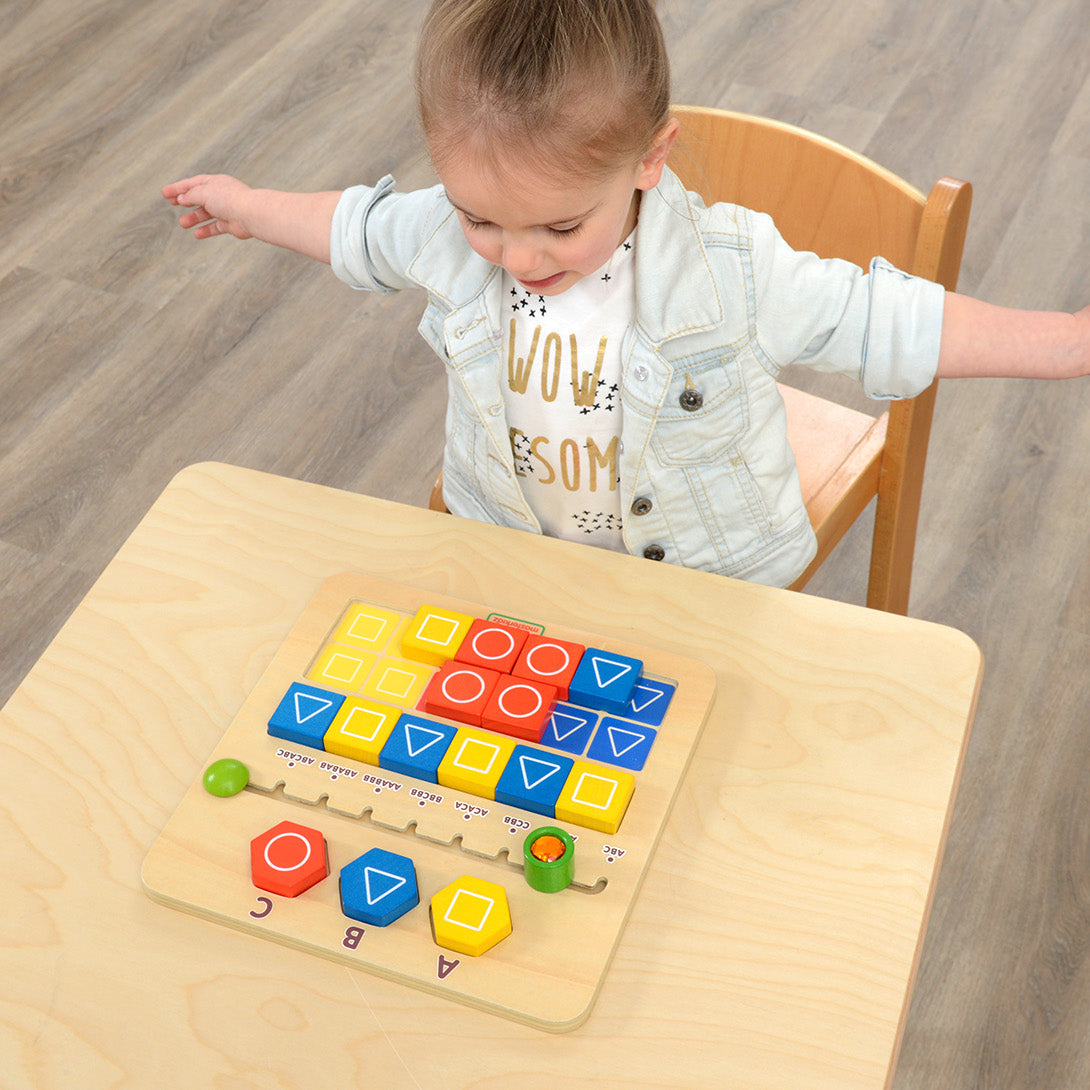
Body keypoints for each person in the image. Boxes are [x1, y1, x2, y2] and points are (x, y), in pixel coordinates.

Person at [163, 0, 1090, 587]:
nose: (516, 257)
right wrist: (248, 207)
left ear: (651, 159)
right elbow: (355, 229)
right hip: (514, 562)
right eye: (481, 216)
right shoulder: (448, 233)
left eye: (560, 228)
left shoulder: (732, 272)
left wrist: (1064, 343)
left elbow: (888, 321)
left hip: (702, 582)